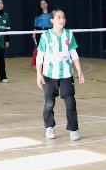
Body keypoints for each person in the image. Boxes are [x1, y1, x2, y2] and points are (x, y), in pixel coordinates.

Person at [36, 8, 85, 141]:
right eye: (59, 17)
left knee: (70, 102)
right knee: (49, 103)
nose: (62, 20)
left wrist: (79, 71)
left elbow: (74, 54)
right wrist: (39, 74)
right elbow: (40, 56)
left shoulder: (69, 34)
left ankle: (73, 130)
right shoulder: (45, 36)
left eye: (63, 17)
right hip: (49, 75)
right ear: (52, 20)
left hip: (66, 75)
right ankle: (49, 127)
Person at [32, 0, 52, 69]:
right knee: (40, 49)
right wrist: (34, 33)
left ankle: (48, 64)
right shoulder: (38, 14)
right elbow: (35, 25)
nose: (43, 5)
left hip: (48, 32)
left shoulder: (51, 14)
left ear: (47, 4)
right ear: (40, 6)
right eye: (41, 4)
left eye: (44, 3)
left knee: (48, 48)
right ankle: (41, 65)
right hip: (39, 32)